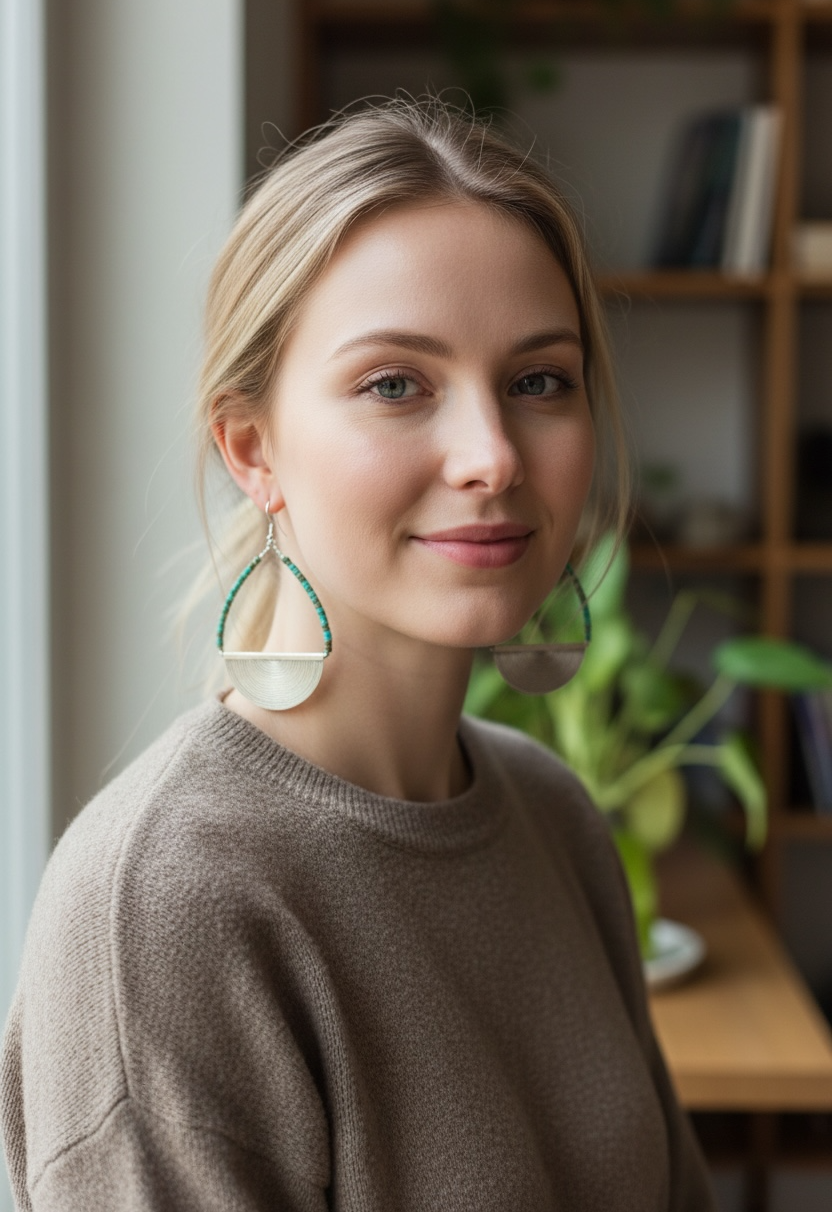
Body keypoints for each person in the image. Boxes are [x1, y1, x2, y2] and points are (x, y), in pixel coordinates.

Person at [0, 96, 716, 1211]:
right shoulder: (164, 908)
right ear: (253, 448)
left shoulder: (551, 814)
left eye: (538, 381)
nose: (489, 455)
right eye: (396, 384)